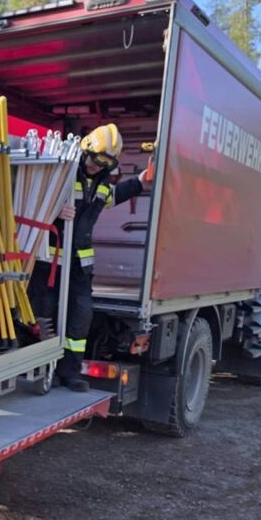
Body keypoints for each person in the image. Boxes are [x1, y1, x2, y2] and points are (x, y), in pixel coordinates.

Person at [27, 124, 152, 392]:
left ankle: (69, 373)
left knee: (80, 316)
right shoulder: (62, 172)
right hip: (50, 262)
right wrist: (54, 212)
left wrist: (139, 183)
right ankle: (41, 369)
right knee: (44, 315)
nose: (97, 166)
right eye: (95, 160)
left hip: (80, 267)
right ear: (85, 151)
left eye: (105, 163)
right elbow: (32, 199)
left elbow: (111, 198)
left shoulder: (102, 183)